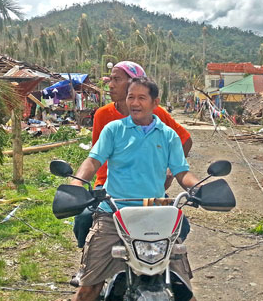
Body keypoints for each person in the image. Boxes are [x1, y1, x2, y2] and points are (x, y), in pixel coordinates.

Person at [70, 77, 199, 301]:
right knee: (88, 289)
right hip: (114, 211)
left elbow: (181, 172)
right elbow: (93, 161)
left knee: (184, 292)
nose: (135, 102)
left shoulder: (168, 135)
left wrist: (200, 187)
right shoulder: (114, 130)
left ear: (155, 102)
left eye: (141, 98)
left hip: (155, 211)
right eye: (131, 97)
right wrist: (76, 183)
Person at [73, 61, 192, 249]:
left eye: (117, 79)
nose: (111, 85)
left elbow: (184, 141)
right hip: (110, 189)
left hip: (148, 193)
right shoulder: (105, 118)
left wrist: (171, 170)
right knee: (84, 220)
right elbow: (95, 158)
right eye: (110, 79)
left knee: (181, 227)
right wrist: (80, 183)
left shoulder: (159, 118)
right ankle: (87, 261)